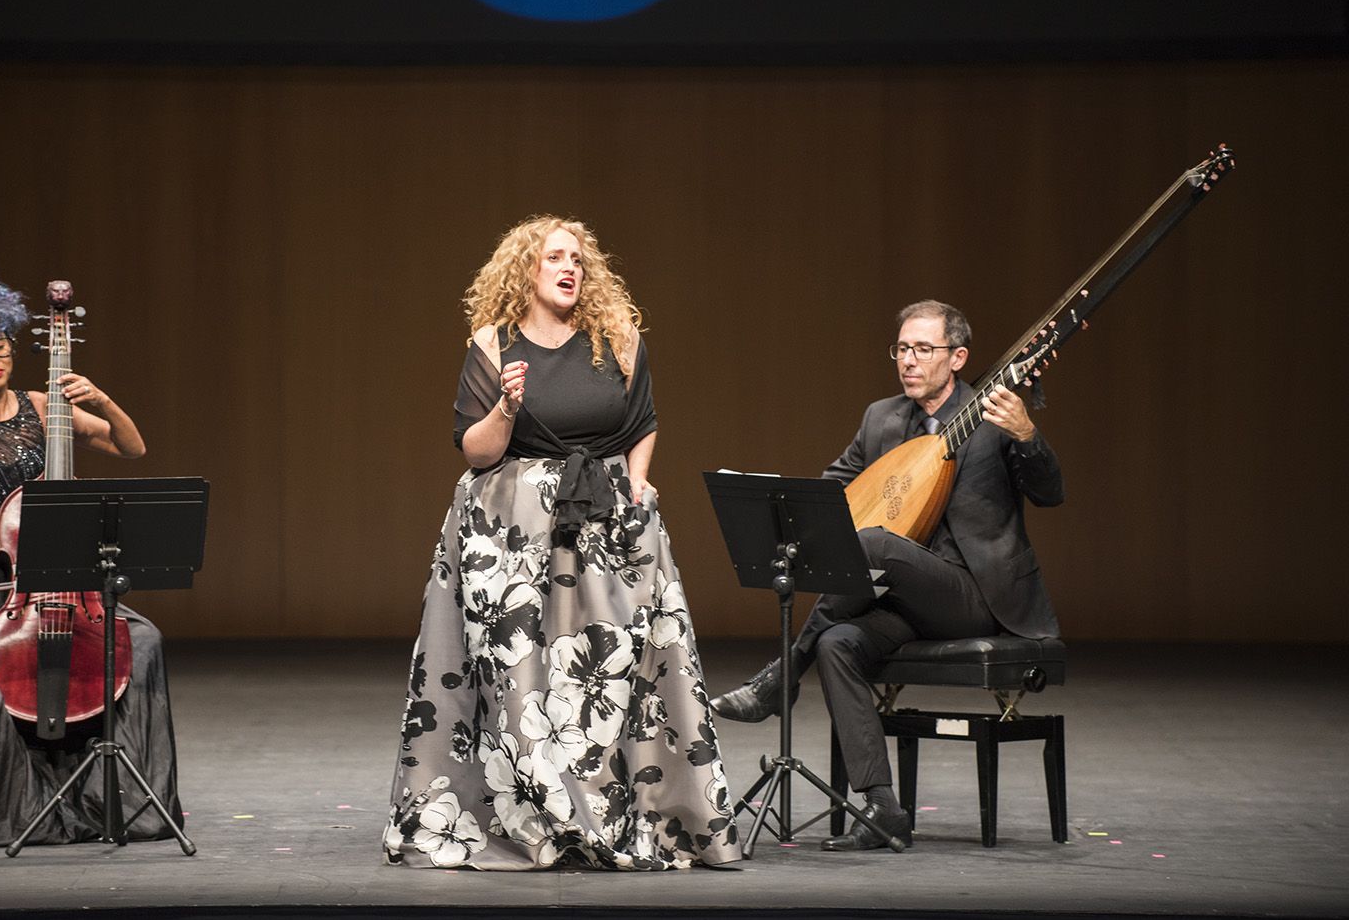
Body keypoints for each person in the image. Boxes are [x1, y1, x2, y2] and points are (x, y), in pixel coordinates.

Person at [383, 217, 740, 870]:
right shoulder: (494, 344)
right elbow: (476, 450)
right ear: (527, 269)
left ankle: (625, 814)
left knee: (613, 671)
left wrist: (638, 480)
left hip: (606, 521)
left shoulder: (617, 337)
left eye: (576, 257)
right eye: (554, 257)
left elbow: (642, 421)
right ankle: (536, 818)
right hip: (513, 530)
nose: (569, 266)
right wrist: (506, 408)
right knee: (521, 676)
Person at [710, 299, 1064, 851]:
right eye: (901, 348)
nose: (909, 360)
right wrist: (779, 501)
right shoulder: (882, 418)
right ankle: (883, 808)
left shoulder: (993, 415)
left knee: (876, 543)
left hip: (977, 596)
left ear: (958, 357)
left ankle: (784, 675)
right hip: (905, 601)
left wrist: (1026, 434)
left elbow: (1050, 492)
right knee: (837, 643)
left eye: (923, 349)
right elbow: (835, 492)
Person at [0, 276, 182, 849]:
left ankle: (118, 801)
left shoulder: (45, 407)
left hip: (40, 566)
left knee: (140, 641)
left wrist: (102, 401)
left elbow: (131, 447)